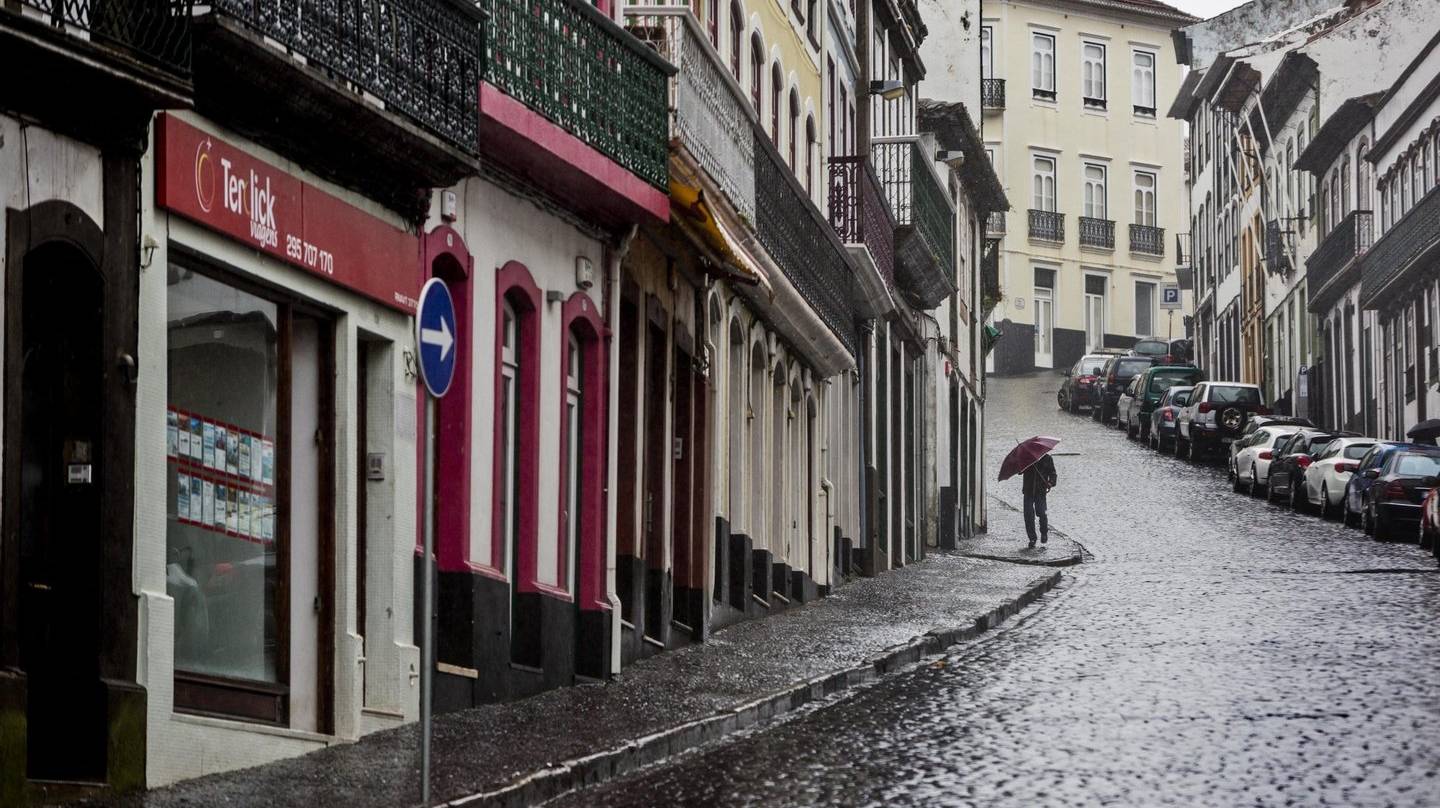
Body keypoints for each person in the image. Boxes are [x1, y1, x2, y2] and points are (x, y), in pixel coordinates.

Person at [1022, 453, 1057, 548]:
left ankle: (1044, 532)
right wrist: (1026, 465)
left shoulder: (1047, 458)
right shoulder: (1027, 458)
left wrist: (1050, 482)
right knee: (1028, 515)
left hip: (1040, 491)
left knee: (1042, 513)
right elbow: (1020, 471)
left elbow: (1053, 473)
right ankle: (1032, 538)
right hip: (1028, 491)